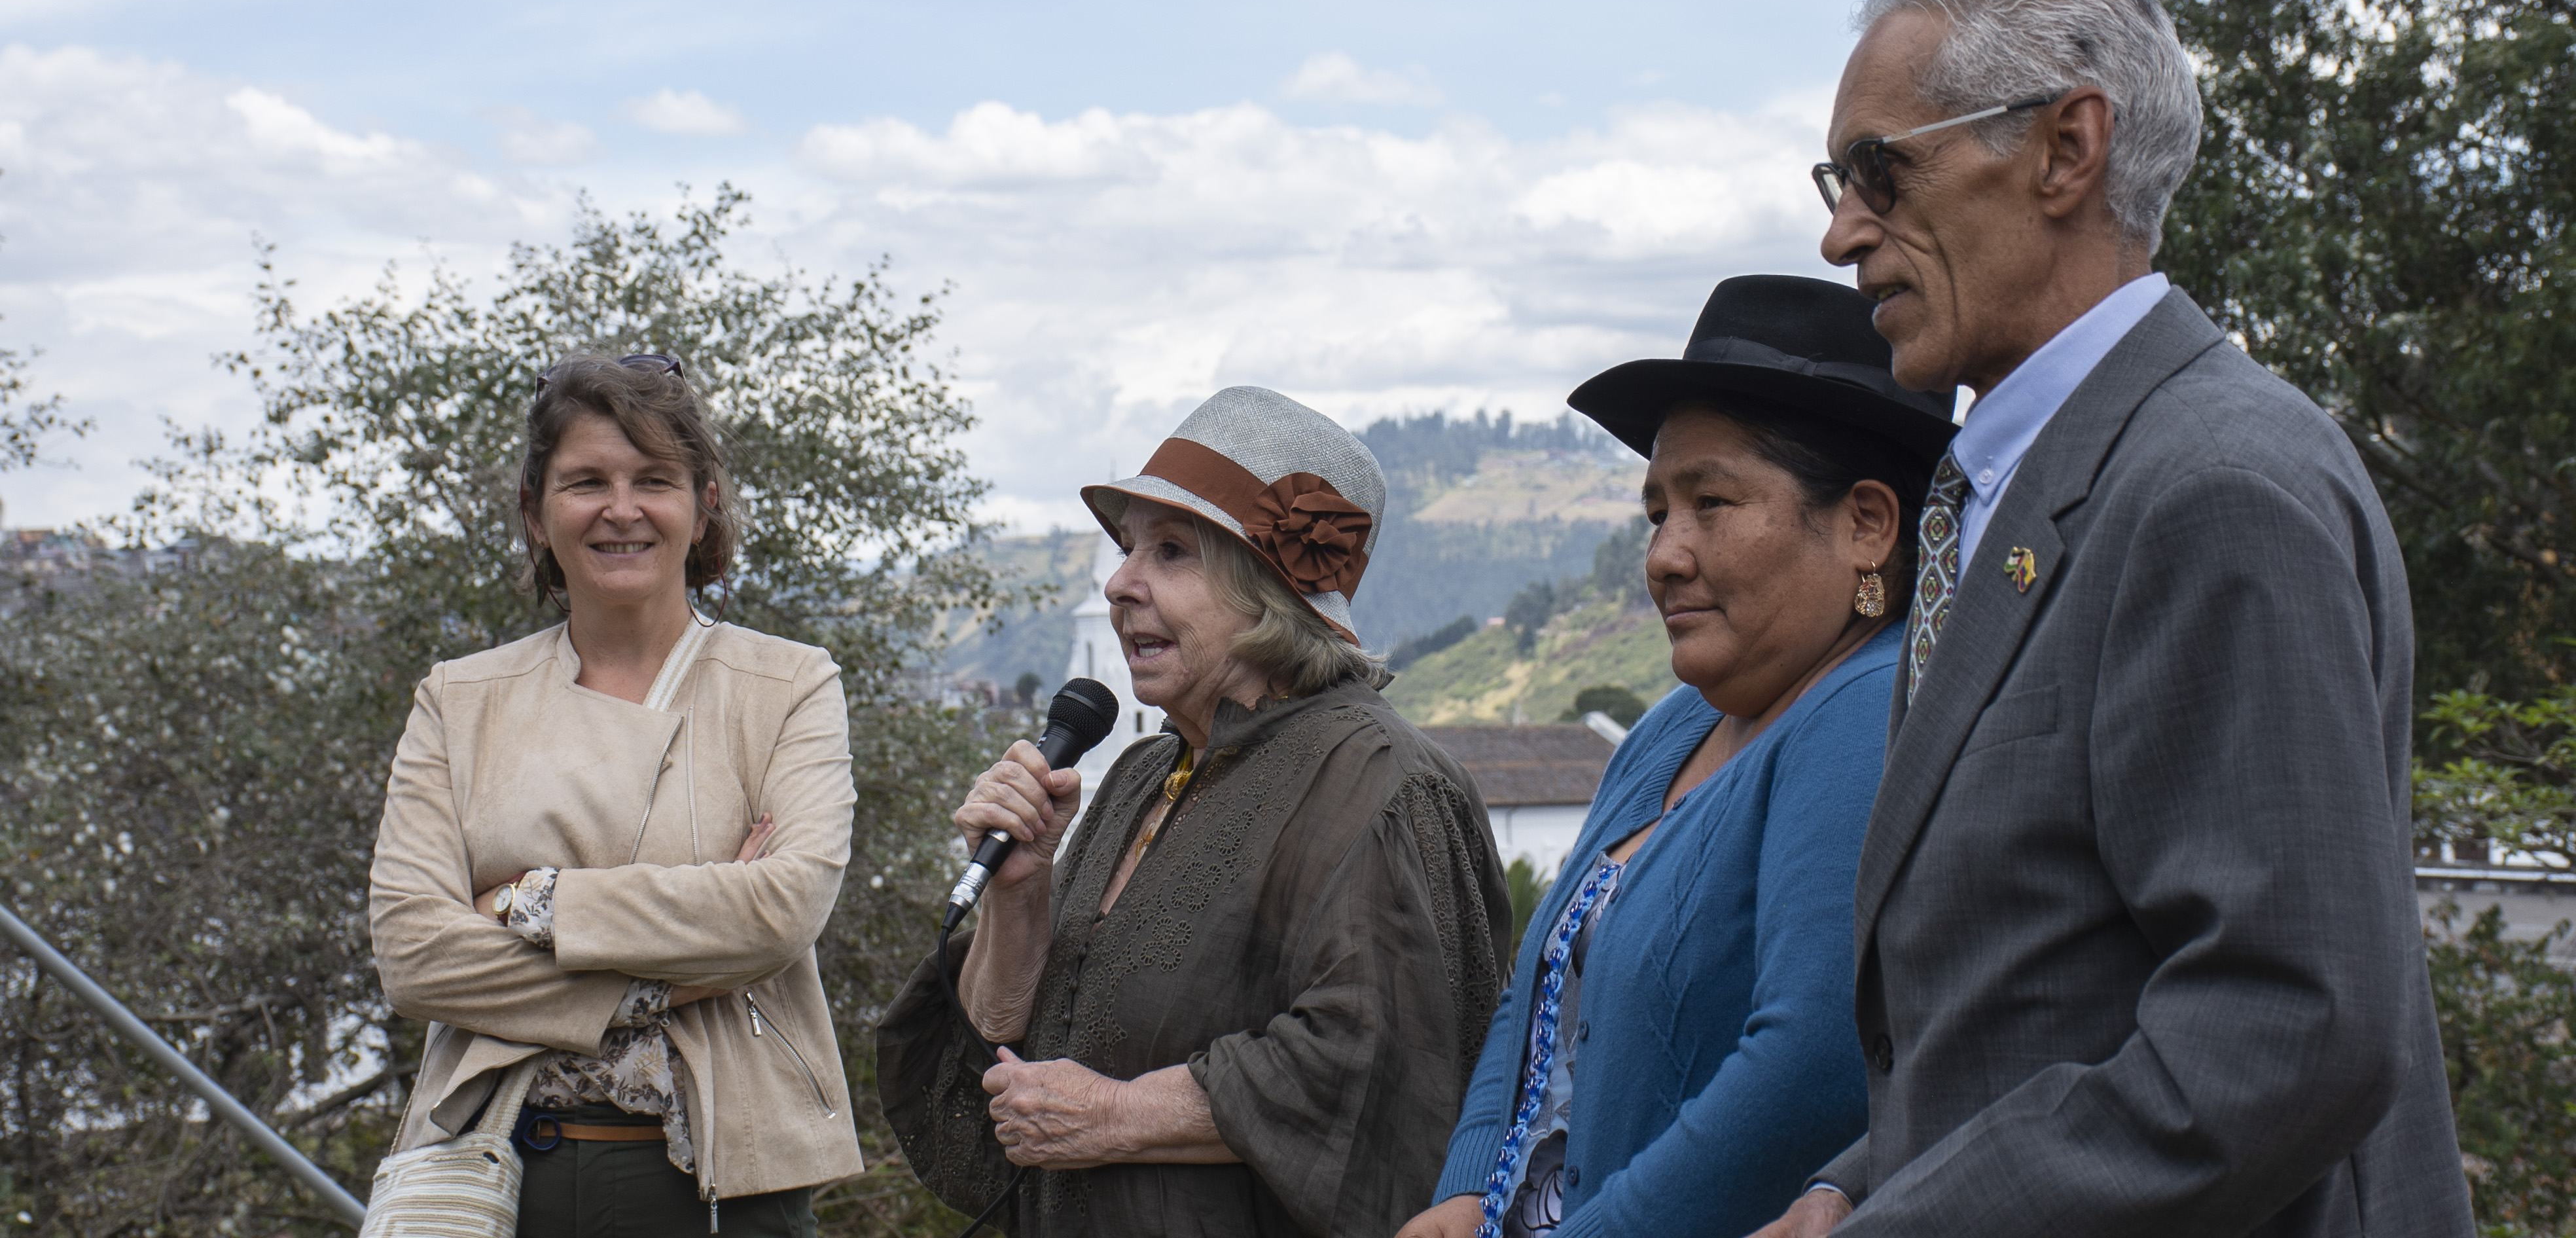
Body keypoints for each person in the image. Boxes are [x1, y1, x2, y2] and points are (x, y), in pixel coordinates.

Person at [1751, 0, 2473, 1237]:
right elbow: (2036, 990)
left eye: (1880, 171)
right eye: (1838, 183)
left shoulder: (2213, 486)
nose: (1841, 231)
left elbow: (2288, 1030)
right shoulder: (2011, 494)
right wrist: (1855, 1183)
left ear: (2066, 147)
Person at [876, 385, 1511, 1237]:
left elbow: (1378, 1064)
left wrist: (1118, 1116)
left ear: (1270, 594)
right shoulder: (1143, 774)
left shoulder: (1384, 785)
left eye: (1170, 552)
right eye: (1128, 549)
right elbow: (1005, 1043)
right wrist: (1019, 896)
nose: (1118, 583)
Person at [1397, 275, 1955, 1238]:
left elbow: (1811, 1071)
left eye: (1712, 502)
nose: (1664, 553)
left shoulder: (1865, 716)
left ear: (1867, 525)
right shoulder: (1671, 730)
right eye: (1659, 510)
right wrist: (1466, 1188)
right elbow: (1538, 986)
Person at [370, 352, 863, 1236]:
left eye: (654, 479)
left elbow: (784, 909)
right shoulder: (461, 699)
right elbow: (413, 954)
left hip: (729, 1188)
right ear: (535, 511)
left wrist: (530, 900)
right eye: (586, 481)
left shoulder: (787, 685)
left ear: (704, 501)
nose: (622, 509)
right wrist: (682, 962)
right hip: (501, 1176)